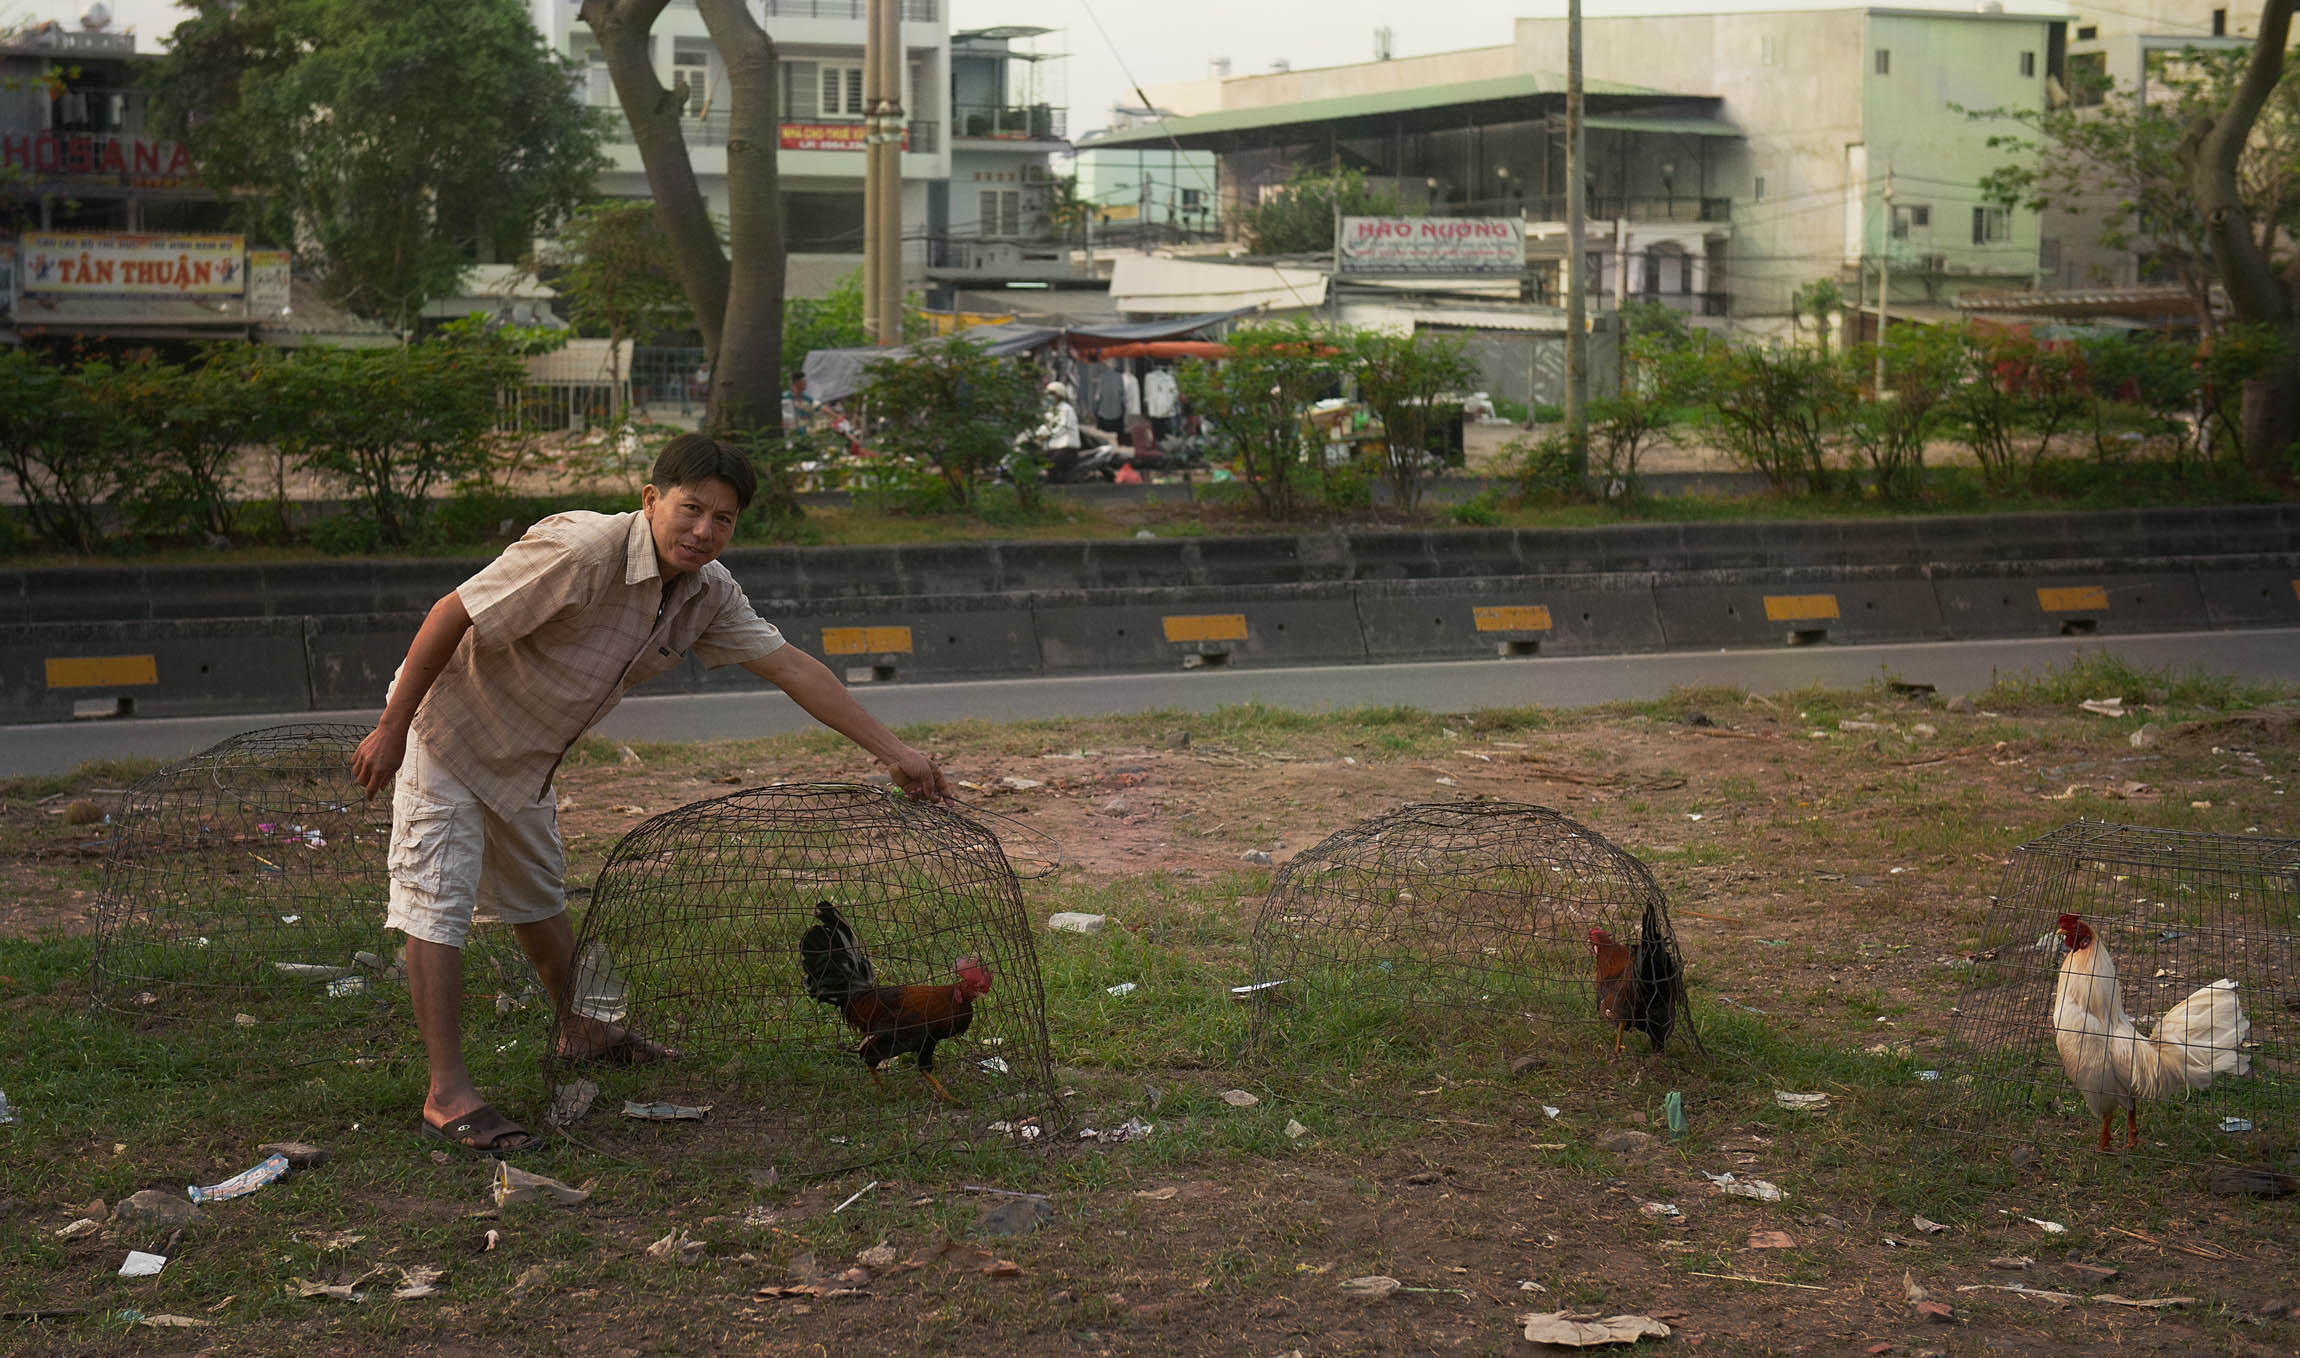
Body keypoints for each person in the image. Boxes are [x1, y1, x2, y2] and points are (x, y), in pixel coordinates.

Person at [349, 434, 948, 1156]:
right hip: (446, 732)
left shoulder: (708, 593)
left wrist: (899, 754)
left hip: (528, 757)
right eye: (690, 509)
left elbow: (791, 667)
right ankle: (447, 1094)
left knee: (538, 897)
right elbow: (452, 613)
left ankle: (585, 1029)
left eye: (723, 519)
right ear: (650, 500)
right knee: (438, 901)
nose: (703, 530)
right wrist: (390, 728)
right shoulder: (584, 552)